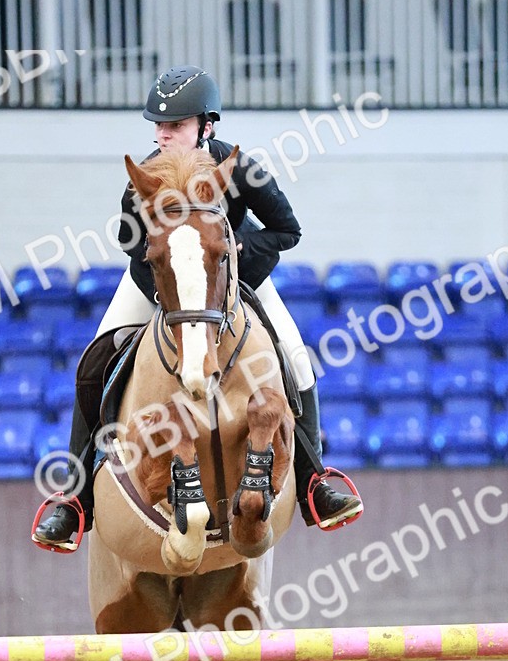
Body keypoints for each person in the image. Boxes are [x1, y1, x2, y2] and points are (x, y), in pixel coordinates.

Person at [33, 65, 362, 550]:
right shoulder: (143, 177)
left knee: (297, 359)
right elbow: (129, 242)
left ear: (207, 126)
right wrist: (178, 286)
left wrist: (224, 261)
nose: (163, 135)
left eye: (176, 126)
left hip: (237, 284)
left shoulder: (240, 167)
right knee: (94, 361)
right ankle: (76, 500)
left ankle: (315, 481)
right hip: (161, 287)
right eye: (159, 126)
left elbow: (288, 230)